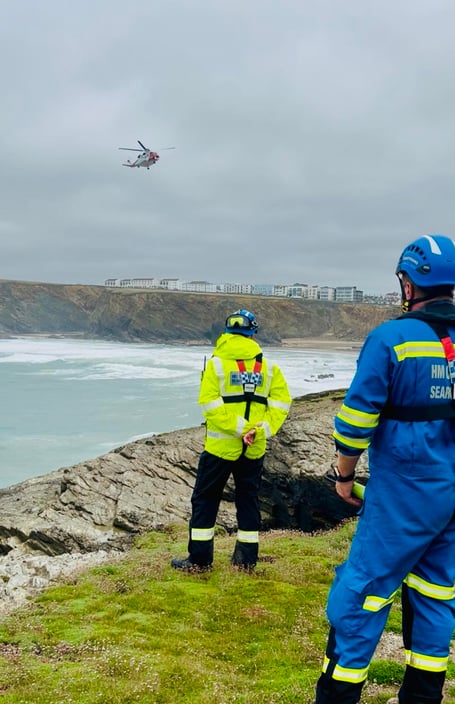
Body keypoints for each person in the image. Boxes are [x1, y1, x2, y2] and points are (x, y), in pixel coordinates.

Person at [314, 234, 455, 704]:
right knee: (437, 591)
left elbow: (356, 419)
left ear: (408, 282)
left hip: (403, 491)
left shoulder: (391, 338)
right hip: (451, 491)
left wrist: (344, 475)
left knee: (362, 591)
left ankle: (339, 691)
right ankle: (422, 695)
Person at [171, 308, 291, 572]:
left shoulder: (215, 364)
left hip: (220, 447)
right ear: (253, 334)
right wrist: (259, 430)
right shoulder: (269, 367)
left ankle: (200, 560)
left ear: (226, 333)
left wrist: (240, 429)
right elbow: (282, 403)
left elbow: (210, 406)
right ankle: (246, 561)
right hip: (254, 447)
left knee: (205, 500)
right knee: (248, 500)